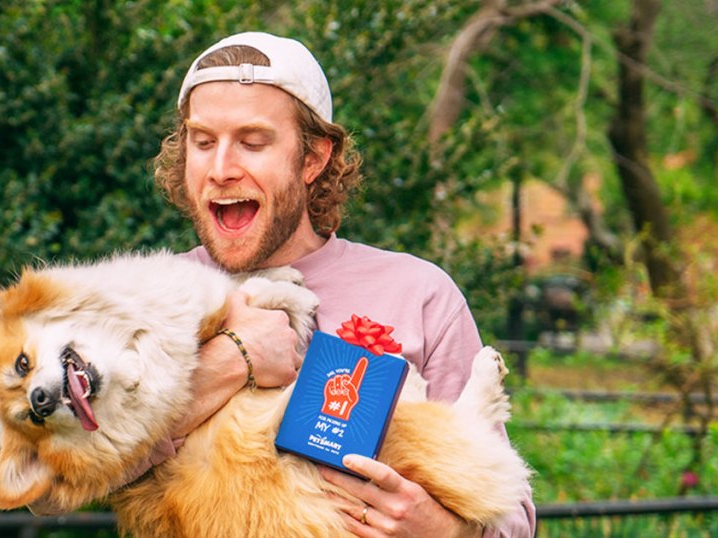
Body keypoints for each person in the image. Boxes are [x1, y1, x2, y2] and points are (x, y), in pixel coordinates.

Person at [149, 31, 536, 537]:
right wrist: (235, 358)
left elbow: (515, 522)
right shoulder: (156, 294)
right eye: (203, 142)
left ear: (314, 158)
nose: (220, 169)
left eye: (253, 142)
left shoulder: (418, 293)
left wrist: (443, 531)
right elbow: (47, 481)